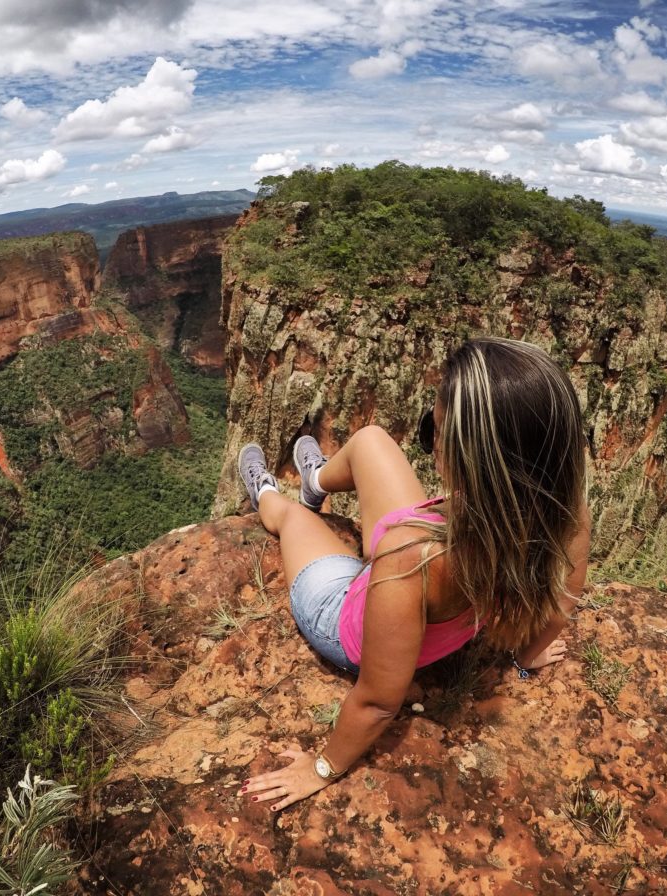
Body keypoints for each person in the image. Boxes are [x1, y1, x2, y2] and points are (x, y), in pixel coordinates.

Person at [235, 336, 591, 811]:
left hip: (343, 613)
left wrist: (320, 768)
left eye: (433, 433)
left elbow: (380, 700)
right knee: (371, 441)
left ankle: (266, 494)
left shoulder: (412, 555)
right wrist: (526, 657)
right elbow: (558, 606)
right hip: (415, 578)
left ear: (470, 459)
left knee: (294, 521)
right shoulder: (563, 516)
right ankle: (316, 483)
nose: (431, 446)